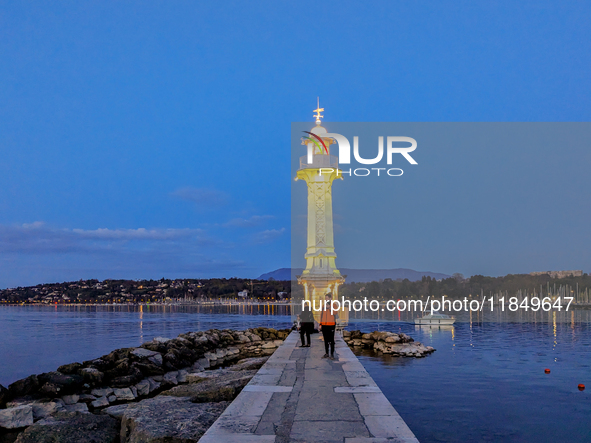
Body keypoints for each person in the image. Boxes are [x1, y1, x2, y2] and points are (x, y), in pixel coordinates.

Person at [319, 292, 337, 359]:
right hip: (324, 325)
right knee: (325, 340)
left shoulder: (334, 305)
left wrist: (330, 308)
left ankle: (332, 354)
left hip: (331, 325)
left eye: (327, 298)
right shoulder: (323, 306)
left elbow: (335, 312)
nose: (326, 299)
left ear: (330, 298)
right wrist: (320, 324)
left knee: (331, 340)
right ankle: (326, 353)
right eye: (325, 298)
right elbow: (321, 315)